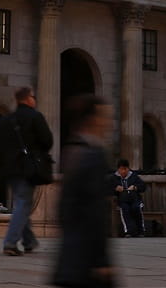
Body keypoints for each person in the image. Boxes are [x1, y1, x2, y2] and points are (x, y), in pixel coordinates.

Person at [0, 85, 55, 257]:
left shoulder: (5, 121)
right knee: (22, 203)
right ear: (28, 99)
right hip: (27, 168)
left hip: (8, 170)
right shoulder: (35, 117)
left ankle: (29, 241)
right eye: (33, 97)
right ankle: (10, 242)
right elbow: (47, 141)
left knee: (22, 202)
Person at [52, 94, 116, 288]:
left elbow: (64, 210)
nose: (108, 123)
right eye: (105, 117)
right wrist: (102, 260)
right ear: (93, 120)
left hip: (70, 257)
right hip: (88, 262)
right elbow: (96, 212)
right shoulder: (94, 155)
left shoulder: (72, 150)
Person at [111, 159, 146, 238]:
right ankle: (128, 232)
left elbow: (143, 186)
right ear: (118, 169)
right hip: (123, 200)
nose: (123, 171)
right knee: (125, 209)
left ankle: (141, 231)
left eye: (125, 169)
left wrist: (135, 187)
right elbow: (107, 188)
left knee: (136, 208)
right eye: (121, 169)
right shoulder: (114, 178)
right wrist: (115, 188)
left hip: (135, 199)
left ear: (128, 169)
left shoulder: (134, 176)